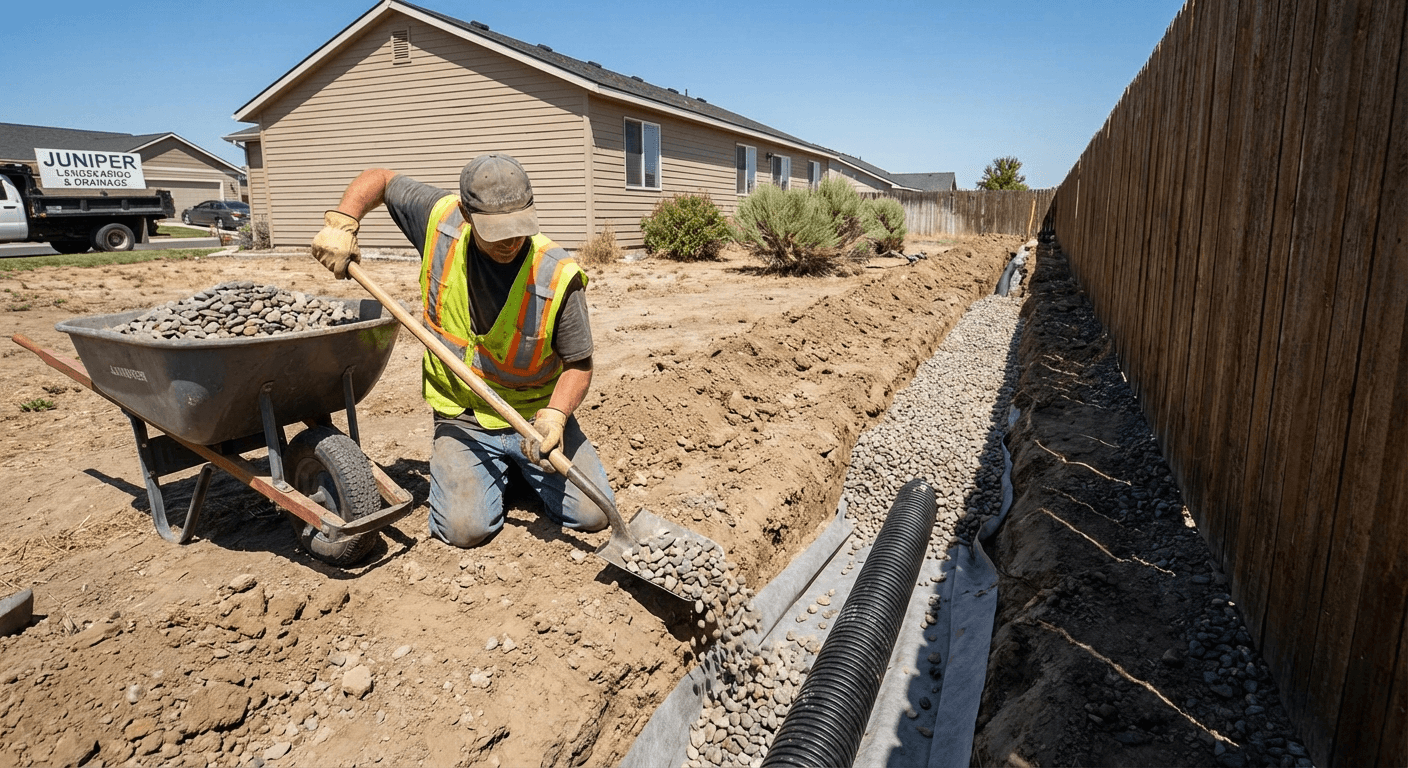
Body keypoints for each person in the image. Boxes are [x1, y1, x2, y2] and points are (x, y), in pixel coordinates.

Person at [308, 153, 611, 547]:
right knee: (464, 530)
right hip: (463, 416)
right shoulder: (440, 221)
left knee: (594, 513)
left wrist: (555, 417)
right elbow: (380, 178)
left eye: (519, 227)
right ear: (467, 215)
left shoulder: (557, 274)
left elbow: (579, 363)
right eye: (497, 231)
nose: (511, 242)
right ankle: (493, 471)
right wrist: (342, 222)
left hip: (533, 418)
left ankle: (512, 468)